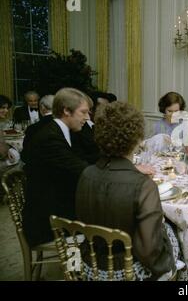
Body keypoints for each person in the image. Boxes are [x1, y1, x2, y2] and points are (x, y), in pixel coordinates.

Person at [76, 101, 176, 280]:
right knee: (175, 234)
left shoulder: (86, 173)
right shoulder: (144, 186)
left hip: (90, 266)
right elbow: (149, 253)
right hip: (125, 272)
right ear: (138, 139)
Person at [23, 88, 91, 247]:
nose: (87, 118)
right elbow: (83, 170)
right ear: (67, 111)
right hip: (46, 223)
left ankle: (81, 267)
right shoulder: (50, 138)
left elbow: (82, 162)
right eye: (83, 112)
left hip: (55, 206)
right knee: (108, 222)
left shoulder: (60, 131)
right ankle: (73, 268)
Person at [21, 95, 55, 165]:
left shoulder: (32, 128)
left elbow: (26, 156)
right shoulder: (68, 125)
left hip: (38, 170)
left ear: (42, 107)